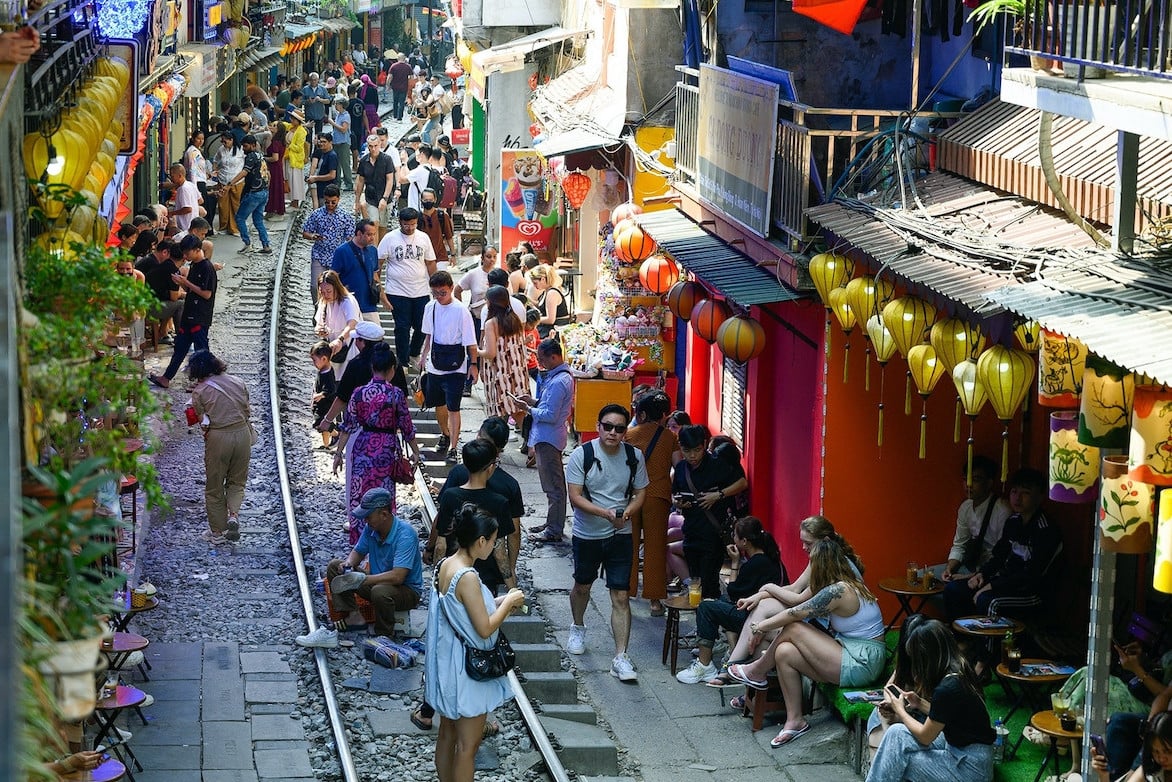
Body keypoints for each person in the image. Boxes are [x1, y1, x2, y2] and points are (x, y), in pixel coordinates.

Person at [728, 539, 886, 748]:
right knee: (784, 652)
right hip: (851, 651)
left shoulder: (838, 591)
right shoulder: (839, 583)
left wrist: (760, 627)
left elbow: (795, 613)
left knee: (793, 627)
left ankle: (757, 670)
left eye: (812, 563)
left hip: (862, 662)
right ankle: (795, 721)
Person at [425, 504, 526, 782]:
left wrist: (498, 603)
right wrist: (508, 604)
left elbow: (464, 610)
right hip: (465, 673)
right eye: (493, 542)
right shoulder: (468, 576)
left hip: (447, 664)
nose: (493, 548)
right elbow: (483, 628)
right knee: (467, 747)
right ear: (481, 541)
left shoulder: (446, 564)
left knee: (446, 735)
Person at [563, 403, 649, 681]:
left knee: (621, 595)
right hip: (588, 532)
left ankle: (620, 656)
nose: (613, 433)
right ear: (598, 426)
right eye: (608, 426)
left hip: (620, 534)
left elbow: (640, 493)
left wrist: (626, 514)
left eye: (620, 428)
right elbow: (575, 496)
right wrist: (605, 513)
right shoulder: (582, 455)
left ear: (626, 430)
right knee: (583, 585)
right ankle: (577, 626)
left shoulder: (634, 457)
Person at [866, 618, 994, 782]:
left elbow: (926, 737)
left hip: (970, 769)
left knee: (900, 759)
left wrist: (900, 710)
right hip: (962, 751)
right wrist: (919, 703)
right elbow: (949, 715)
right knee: (896, 733)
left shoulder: (947, 688)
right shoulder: (959, 668)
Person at [942, 467, 1062, 636]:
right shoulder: (1013, 522)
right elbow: (998, 557)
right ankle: (962, 643)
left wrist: (991, 585)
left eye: (1025, 493)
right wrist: (981, 575)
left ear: (1040, 496)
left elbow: (1031, 575)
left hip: (1030, 591)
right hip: (1005, 582)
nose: (1017, 498)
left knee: (989, 602)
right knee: (953, 589)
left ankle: (985, 660)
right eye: (1014, 491)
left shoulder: (1045, 530)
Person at [298, 487, 424, 646]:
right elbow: (358, 551)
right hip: (376, 582)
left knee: (380, 591)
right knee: (334, 566)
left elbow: (398, 577)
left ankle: (385, 635)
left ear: (384, 514)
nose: (365, 520)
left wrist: (363, 579)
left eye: (368, 517)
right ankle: (354, 618)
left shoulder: (406, 535)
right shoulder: (371, 528)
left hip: (405, 591)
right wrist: (348, 564)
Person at [676, 517, 786, 683]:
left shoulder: (755, 564)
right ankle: (729, 650)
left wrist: (734, 563)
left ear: (744, 541)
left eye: (735, 535)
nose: (732, 538)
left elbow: (733, 593)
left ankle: (705, 665)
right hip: (764, 615)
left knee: (706, 607)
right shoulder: (771, 559)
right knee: (718, 602)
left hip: (755, 619)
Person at [331, 343, 421, 544]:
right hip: (386, 451)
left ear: (372, 368)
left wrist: (338, 454)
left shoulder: (359, 393)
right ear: (392, 370)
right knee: (384, 497)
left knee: (361, 494)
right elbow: (407, 427)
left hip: (362, 448)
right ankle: (383, 539)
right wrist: (415, 452)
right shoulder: (396, 394)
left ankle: (360, 542)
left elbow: (347, 426)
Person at [670, 424, 748, 600]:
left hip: (713, 534)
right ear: (680, 447)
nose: (692, 456)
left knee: (710, 584)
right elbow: (675, 493)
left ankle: (707, 621)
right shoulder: (681, 468)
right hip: (690, 531)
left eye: (697, 450)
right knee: (695, 581)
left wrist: (718, 495)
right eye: (687, 450)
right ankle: (700, 621)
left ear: (704, 444)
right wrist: (678, 502)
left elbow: (742, 483)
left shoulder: (716, 464)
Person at [430, 439, 516, 591]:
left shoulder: (450, 496)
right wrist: (512, 588)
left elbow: (440, 545)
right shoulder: (499, 502)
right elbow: (500, 551)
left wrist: (437, 583)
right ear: (490, 468)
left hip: (453, 576)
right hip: (485, 581)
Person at [188, 350, 253, 545]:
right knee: (237, 482)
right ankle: (233, 515)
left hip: (219, 438)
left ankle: (217, 532)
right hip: (243, 435)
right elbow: (247, 409)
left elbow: (202, 421)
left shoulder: (199, 391)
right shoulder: (238, 381)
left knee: (214, 485)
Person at [624, 391, 680, 616]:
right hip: (657, 496)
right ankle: (655, 600)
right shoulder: (669, 438)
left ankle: (626, 593)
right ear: (664, 415)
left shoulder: (629, 435)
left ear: (643, 413)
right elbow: (679, 465)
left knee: (629, 544)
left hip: (631, 497)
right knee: (655, 547)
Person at [514, 339, 574, 543]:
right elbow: (549, 405)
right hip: (547, 437)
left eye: (542, 359)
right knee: (552, 485)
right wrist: (532, 402)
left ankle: (554, 529)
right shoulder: (558, 378)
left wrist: (528, 409)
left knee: (553, 487)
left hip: (549, 438)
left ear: (554, 357)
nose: (540, 363)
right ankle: (552, 523)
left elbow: (550, 415)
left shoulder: (559, 381)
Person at [420, 271, 478, 462]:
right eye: (435, 293)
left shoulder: (461, 310)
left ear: (451, 288)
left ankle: (453, 446)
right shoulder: (430, 307)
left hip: (456, 365)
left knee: (454, 407)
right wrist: (423, 358)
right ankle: (445, 434)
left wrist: (474, 364)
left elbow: (471, 341)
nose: (439, 296)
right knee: (438, 403)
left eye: (442, 292)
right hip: (435, 363)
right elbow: (428, 336)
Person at [150, 235, 218, 389]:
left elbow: (207, 294)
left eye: (187, 253)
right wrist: (182, 282)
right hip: (189, 313)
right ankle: (166, 377)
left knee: (201, 350)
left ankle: (204, 382)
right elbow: (192, 288)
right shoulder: (194, 265)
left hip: (200, 315)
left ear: (197, 250)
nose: (185, 257)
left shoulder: (207, 267)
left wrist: (185, 282)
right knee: (180, 347)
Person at [377, 207, 437, 371]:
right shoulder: (390, 238)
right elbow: (378, 264)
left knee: (421, 325)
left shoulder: (423, 238)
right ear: (400, 222)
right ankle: (402, 360)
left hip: (421, 290)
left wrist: (436, 286)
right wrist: (380, 290)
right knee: (402, 326)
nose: (409, 228)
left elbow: (430, 263)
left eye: (413, 224)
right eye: (406, 224)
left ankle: (414, 352)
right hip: (397, 291)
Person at [938, 455, 1011, 582]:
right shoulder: (965, 507)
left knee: (953, 589)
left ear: (989, 483)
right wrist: (949, 568)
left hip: (993, 571)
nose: (969, 484)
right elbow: (959, 545)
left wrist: (968, 577)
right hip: (971, 563)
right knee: (925, 577)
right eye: (966, 479)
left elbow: (1003, 557)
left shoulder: (1002, 510)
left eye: (975, 480)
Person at [478, 286, 530, 420]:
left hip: (499, 373)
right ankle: (530, 440)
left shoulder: (491, 323)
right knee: (518, 412)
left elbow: (490, 353)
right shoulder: (514, 319)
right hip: (517, 372)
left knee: (498, 415)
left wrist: (476, 351)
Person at [302, 186, 355, 303]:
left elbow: (351, 238)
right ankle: (318, 308)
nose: (330, 205)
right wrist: (312, 236)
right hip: (319, 255)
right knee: (315, 286)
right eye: (327, 202)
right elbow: (305, 232)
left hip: (337, 258)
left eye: (333, 202)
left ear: (338, 199)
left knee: (335, 287)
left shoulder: (345, 216)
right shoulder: (317, 214)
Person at [331, 219, 380, 324]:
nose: (372, 238)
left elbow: (375, 276)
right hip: (348, 303)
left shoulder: (373, 251)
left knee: (375, 335)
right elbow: (333, 277)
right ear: (359, 233)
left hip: (369, 304)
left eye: (374, 234)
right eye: (369, 234)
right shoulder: (342, 251)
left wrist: (384, 299)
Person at [314, 270, 362, 379]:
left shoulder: (347, 301)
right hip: (333, 350)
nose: (326, 295)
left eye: (329, 291)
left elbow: (352, 323)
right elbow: (318, 324)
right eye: (322, 292)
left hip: (349, 348)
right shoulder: (323, 302)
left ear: (336, 288)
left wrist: (340, 339)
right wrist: (319, 330)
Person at [1098, 712, 1172, 782]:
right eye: (1156, 751)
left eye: (1168, 751)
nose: (1161, 758)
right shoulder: (1151, 768)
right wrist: (1104, 776)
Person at [230, 135, 272, 255]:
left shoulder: (251, 156)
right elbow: (268, 173)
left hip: (254, 193)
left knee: (239, 218)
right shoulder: (260, 156)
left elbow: (244, 172)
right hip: (263, 192)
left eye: (246, 146)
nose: (244, 148)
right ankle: (266, 245)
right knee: (258, 220)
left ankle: (247, 243)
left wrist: (230, 183)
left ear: (253, 145)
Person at [355, 134, 400, 232]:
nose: (373, 149)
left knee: (382, 227)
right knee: (374, 224)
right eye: (371, 146)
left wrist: (385, 198)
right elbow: (360, 181)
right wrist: (357, 200)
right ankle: (374, 247)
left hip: (385, 197)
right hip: (370, 198)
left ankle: (380, 246)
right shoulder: (364, 161)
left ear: (379, 145)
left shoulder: (387, 159)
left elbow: (390, 180)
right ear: (368, 146)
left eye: (375, 146)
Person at [456, 246, 498, 340]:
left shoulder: (499, 274)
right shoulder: (473, 274)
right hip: (477, 318)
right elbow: (457, 290)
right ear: (482, 258)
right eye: (488, 256)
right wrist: (462, 310)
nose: (492, 259)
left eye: (494, 256)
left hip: (495, 319)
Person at [211, 134, 243, 235]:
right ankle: (224, 226)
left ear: (232, 140)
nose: (224, 144)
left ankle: (234, 227)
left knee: (236, 205)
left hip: (236, 180)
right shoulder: (221, 149)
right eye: (223, 142)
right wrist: (215, 170)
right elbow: (216, 160)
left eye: (226, 141)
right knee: (222, 205)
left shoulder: (240, 150)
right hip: (223, 180)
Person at [530, 264, 572, 339]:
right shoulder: (546, 291)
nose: (534, 286)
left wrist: (533, 320)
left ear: (542, 279)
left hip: (554, 330)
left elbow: (550, 319)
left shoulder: (551, 293)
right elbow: (541, 305)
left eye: (535, 283)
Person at [310, 340, 338, 448]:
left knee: (319, 422)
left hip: (325, 404)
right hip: (320, 404)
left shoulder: (328, 374)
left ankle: (336, 434)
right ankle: (326, 445)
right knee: (323, 428)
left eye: (314, 360)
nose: (314, 363)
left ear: (324, 359)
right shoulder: (322, 371)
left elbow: (331, 389)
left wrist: (321, 394)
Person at [183, 133, 213, 231]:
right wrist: (194, 187)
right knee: (203, 208)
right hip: (197, 182)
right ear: (193, 139)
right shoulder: (193, 151)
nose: (200, 141)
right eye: (198, 139)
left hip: (200, 180)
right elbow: (192, 170)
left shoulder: (195, 150)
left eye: (202, 139)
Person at [419, 189, 455, 266]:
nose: (428, 202)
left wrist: (453, 254)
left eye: (430, 200)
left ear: (435, 200)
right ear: (421, 200)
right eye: (425, 200)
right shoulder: (417, 217)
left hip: (440, 257)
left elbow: (449, 236)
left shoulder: (442, 216)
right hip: (422, 259)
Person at [327, 96, 353, 191]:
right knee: (336, 164)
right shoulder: (339, 115)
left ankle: (348, 183)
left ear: (341, 105)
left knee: (345, 163)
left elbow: (343, 129)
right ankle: (337, 182)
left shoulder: (346, 116)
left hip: (343, 142)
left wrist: (332, 123)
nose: (335, 105)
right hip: (336, 142)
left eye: (337, 104)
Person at [308, 134, 339, 210]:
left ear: (330, 142)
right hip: (321, 188)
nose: (321, 144)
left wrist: (315, 178)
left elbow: (332, 175)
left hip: (328, 190)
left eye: (324, 142)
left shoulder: (332, 156)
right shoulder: (324, 153)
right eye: (320, 142)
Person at [264, 122, 287, 219]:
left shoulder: (276, 142)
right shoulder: (280, 141)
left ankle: (274, 210)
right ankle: (274, 209)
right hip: (278, 168)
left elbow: (275, 158)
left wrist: (264, 158)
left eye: (274, 126)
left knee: (274, 188)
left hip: (274, 168)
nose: (271, 127)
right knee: (275, 188)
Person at [286, 111, 309, 210]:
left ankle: (295, 202)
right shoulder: (290, 128)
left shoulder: (301, 131)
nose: (291, 120)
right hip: (289, 158)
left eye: (293, 119)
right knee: (290, 179)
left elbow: (299, 148)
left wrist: (289, 145)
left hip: (295, 159)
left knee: (295, 180)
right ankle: (291, 201)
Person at [303, 72, 331, 139]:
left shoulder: (322, 89)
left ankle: (317, 149)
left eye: (315, 80)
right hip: (309, 115)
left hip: (319, 115)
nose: (313, 81)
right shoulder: (305, 89)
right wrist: (308, 101)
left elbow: (328, 101)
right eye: (312, 80)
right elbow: (301, 101)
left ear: (318, 80)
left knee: (319, 136)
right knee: (308, 135)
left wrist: (320, 100)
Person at [388, 53, 413, 121]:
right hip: (404, 87)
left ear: (398, 58)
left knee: (395, 101)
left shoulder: (393, 66)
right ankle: (399, 117)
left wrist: (388, 85)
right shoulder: (408, 66)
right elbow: (411, 77)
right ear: (404, 58)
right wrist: (411, 86)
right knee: (401, 102)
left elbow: (390, 77)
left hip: (395, 86)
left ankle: (395, 115)